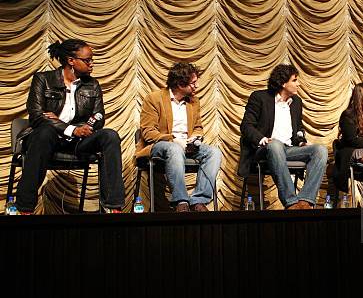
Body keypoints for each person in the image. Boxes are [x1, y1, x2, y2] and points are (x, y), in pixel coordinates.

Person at [15, 39, 125, 214]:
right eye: (87, 60)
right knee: (45, 131)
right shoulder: (43, 79)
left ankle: (113, 207)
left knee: (109, 135)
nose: (92, 64)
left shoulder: (92, 85)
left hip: (78, 142)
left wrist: (85, 127)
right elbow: (37, 116)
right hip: (46, 140)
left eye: (92, 59)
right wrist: (70, 128)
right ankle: (24, 208)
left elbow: (99, 117)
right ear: (71, 60)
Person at [239, 64, 328, 209]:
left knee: (320, 150)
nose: (298, 83)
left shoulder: (296, 102)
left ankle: (305, 200)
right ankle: (291, 201)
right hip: (265, 149)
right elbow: (246, 126)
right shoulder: (259, 97)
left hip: (288, 150)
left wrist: (301, 142)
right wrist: (263, 139)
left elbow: (298, 129)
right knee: (275, 144)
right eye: (294, 80)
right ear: (282, 83)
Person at [136, 62, 222, 212]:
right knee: (174, 148)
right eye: (193, 83)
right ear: (180, 84)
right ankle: (181, 201)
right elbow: (148, 132)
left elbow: (198, 127)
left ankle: (198, 201)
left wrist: (196, 137)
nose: (196, 86)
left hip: (187, 145)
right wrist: (173, 139)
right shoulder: (154, 98)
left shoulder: (194, 102)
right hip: (161, 144)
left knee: (214, 153)